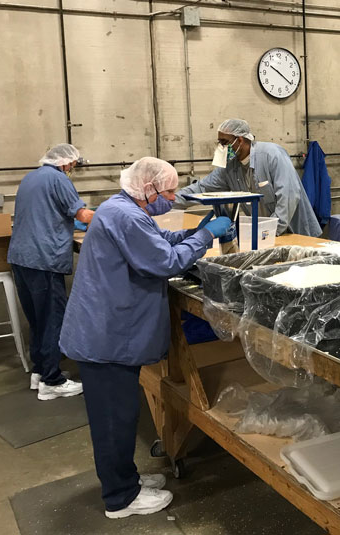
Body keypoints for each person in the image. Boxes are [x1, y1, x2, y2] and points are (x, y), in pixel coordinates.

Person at [59, 157, 232, 519]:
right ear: (149, 188)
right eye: (168, 191)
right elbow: (165, 263)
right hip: (104, 337)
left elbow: (157, 241)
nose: (172, 197)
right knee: (114, 420)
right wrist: (206, 235)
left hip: (105, 331)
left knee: (119, 415)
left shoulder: (122, 208)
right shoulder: (125, 215)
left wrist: (193, 233)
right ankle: (120, 498)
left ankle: (127, 480)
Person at [8, 143, 94, 400]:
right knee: (53, 318)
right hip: (43, 259)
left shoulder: (31, 178)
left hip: (21, 257)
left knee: (37, 318)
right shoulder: (58, 179)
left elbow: (48, 212)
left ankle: (41, 371)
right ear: (67, 163)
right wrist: (114, 213)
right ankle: (52, 382)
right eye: (74, 165)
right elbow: (83, 214)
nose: (73, 170)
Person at [176, 119, 322, 237]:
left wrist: (270, 232)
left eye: (224, 142)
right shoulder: (229, 168)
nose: (221, 147)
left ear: (239, 140)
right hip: (264, 236)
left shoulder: (271, 155)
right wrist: (165, 201)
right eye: (219, 143)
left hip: (294, 232)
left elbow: (289, 196)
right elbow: (201, 188)